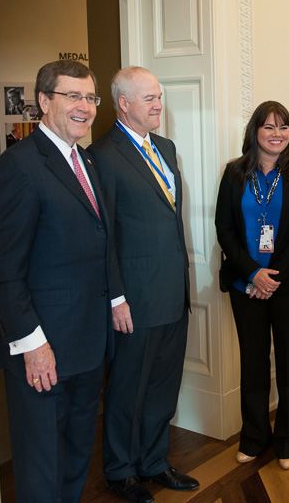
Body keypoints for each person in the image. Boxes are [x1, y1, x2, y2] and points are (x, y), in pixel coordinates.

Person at [0, 60, 123, 502]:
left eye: (90, 98)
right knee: (42, 469)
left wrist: (115, 301)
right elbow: (2, 272)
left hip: (85, 346)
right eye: (73, 96)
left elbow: (99, 241)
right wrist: (33, 345)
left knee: (77, 454)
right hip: (41, 352)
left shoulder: (86, 160)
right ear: (43, 101)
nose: (85, 107)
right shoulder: (18, 167)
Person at [89, 67, 198, 503]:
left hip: (173, 293)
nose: (159, 105)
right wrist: (116, 296)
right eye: (149, 98)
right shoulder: (103, 156)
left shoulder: (166, 149)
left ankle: (154, 462)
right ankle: (120, 471)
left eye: (159, 96)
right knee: (126, 390)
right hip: (133, 299)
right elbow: (105, 236)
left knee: (162, 387)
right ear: (124, 103)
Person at [215, 101, 289, 471]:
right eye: (269, 127)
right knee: (254, 363)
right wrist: (253, 274)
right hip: (247, 286)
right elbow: (224, 230)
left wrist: (272, 277)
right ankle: (255, 437)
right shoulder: (234, 173)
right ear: (255, 132)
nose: (277, 134)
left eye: (284, 127)